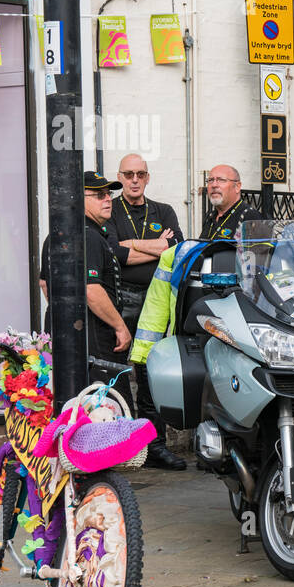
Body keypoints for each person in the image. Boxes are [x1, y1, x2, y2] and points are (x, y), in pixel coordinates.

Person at [107, 154, 186, 470]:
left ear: (148, 177)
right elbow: (115, 253)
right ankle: (122, 445)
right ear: (120, 177)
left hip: (157, 302)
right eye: (128, 174)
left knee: (151, 373)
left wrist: (133, 244)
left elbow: (176, 248)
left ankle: (155, 446)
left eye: (140, 174)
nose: (134, 180)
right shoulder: (111, 209)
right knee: (118, 372)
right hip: (123, 300)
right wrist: (155, 245)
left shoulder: (163, 211)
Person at [39, 171, 133, 406]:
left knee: (74, 408)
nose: (108, 199)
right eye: (99, 195)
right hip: (96, 339)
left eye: (109, 194)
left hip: (69, 337)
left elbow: (45, 284)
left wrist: (65, 314)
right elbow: (91, 290)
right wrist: (120, 326)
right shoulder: (88, 236)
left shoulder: (56, 235)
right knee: (111, 408)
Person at [201, 164, 265, 241]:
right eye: (210, 180)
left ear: (237, 186)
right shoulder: (211, 216)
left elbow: (259, 248)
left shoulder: (250, 217)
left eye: (221, 180)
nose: (214, 185)